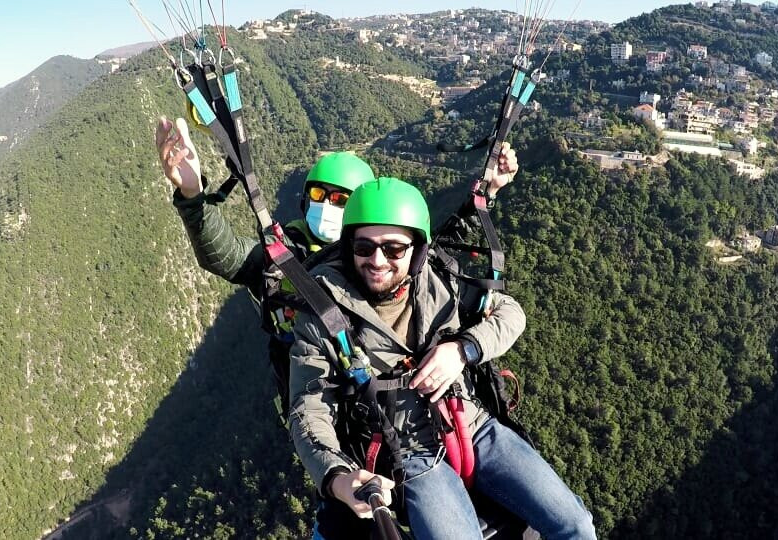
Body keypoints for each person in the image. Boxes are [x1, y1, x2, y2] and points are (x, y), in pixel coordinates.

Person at [154, 116, 522, 538]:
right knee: (341, 515)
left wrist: (486, 192)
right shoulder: (285, 259)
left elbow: (428, 250)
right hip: (324, 405)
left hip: (386, 414)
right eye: (318, 194)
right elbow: (228, 256)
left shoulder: (375, 259)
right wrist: (193, 195)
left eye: (339, 198)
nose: (326, 205)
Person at [287, 177, 597, 540]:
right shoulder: (324, 312)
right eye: (364, 246)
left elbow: (510, 313)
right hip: (406, 449)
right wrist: (336, 477)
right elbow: (309, 408)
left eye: (393, 249)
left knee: (576, 525)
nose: (376, 260)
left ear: (417, 250)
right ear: (348, 246)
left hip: (472, 423)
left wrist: (463, 349)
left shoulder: (441, 283)